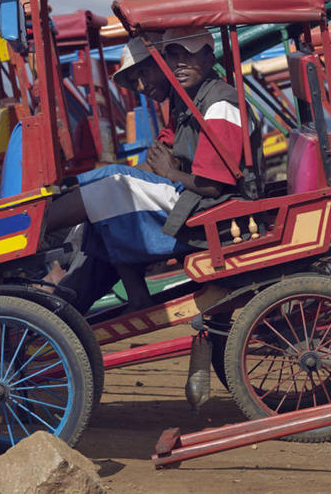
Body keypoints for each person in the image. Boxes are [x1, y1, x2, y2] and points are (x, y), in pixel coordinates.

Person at [45, 27, 261, 311]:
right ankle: (64, 304)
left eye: (189, 55)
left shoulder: (219, 103)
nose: (180, 64)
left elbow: (212, 185)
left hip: (214, 206)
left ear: (209, 57)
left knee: (112, 185)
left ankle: (36, 229)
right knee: (109, 196)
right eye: (174, 58)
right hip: (195, 198)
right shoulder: (189, 101)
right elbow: (159, 159)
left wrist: (169, 173)